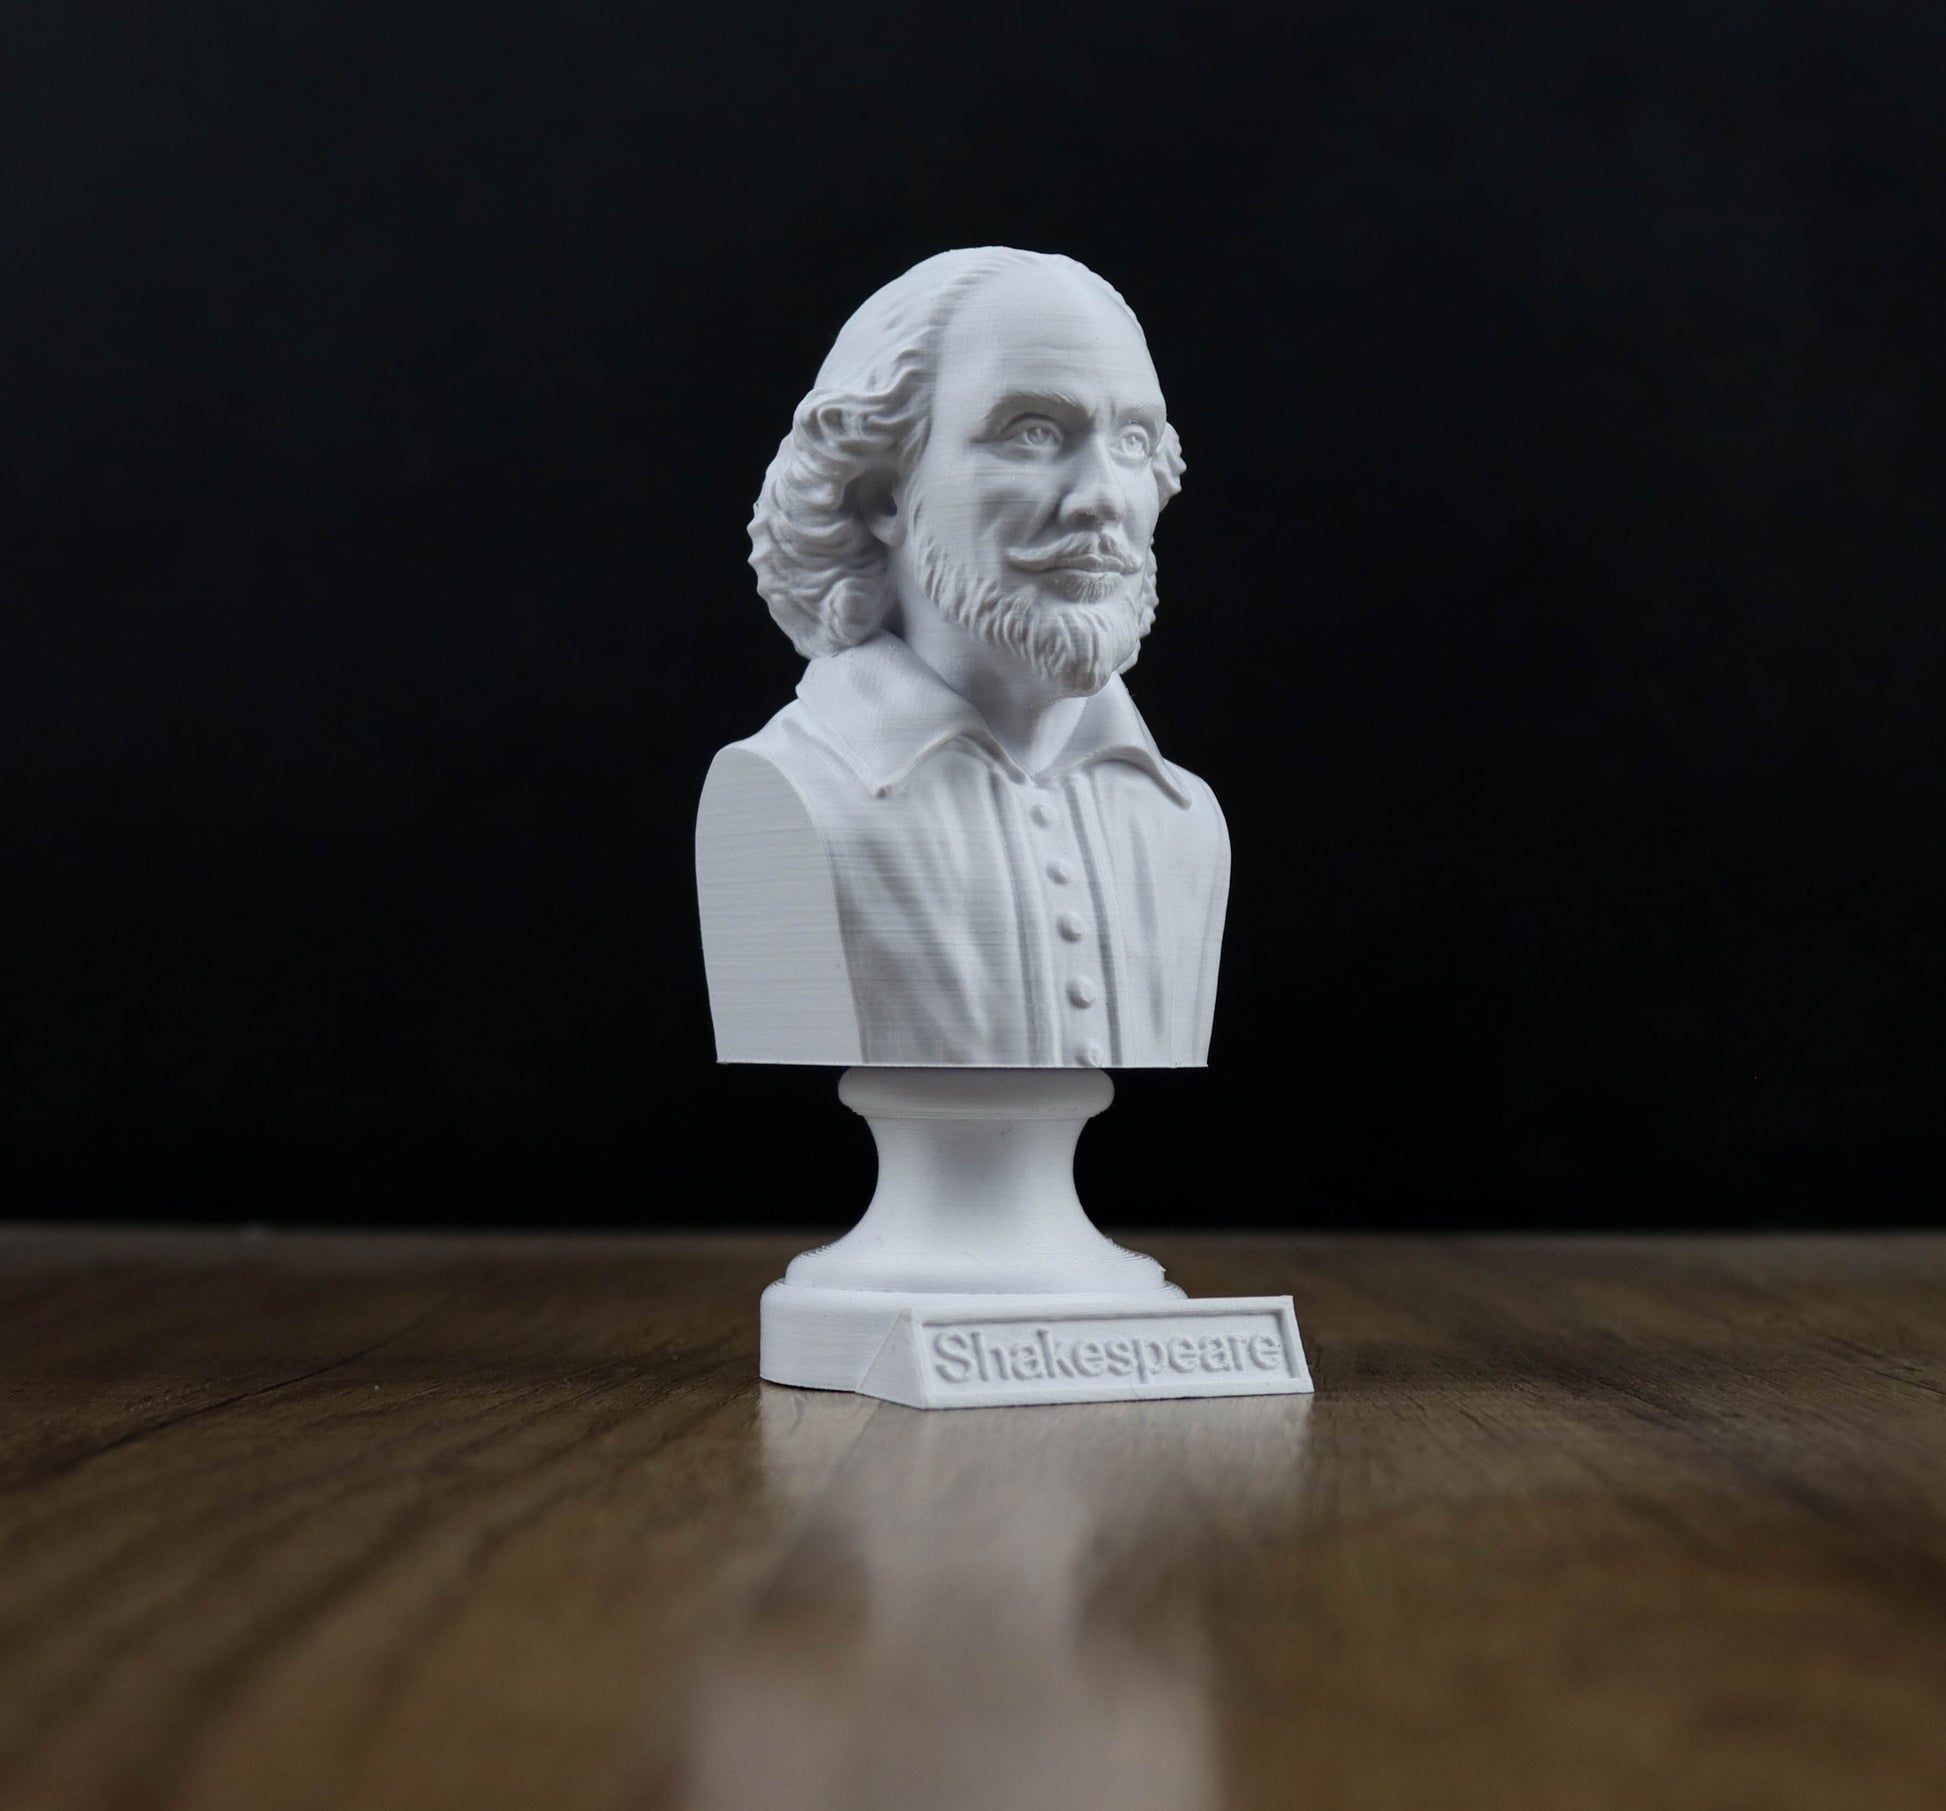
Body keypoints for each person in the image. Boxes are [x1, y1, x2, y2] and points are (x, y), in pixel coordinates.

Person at [697, 247, 1228, 1067]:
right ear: (882, 494)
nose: (1105, 498)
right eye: (1035, 433)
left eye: (1133, 441)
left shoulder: (1183, 822)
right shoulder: (785, 796)